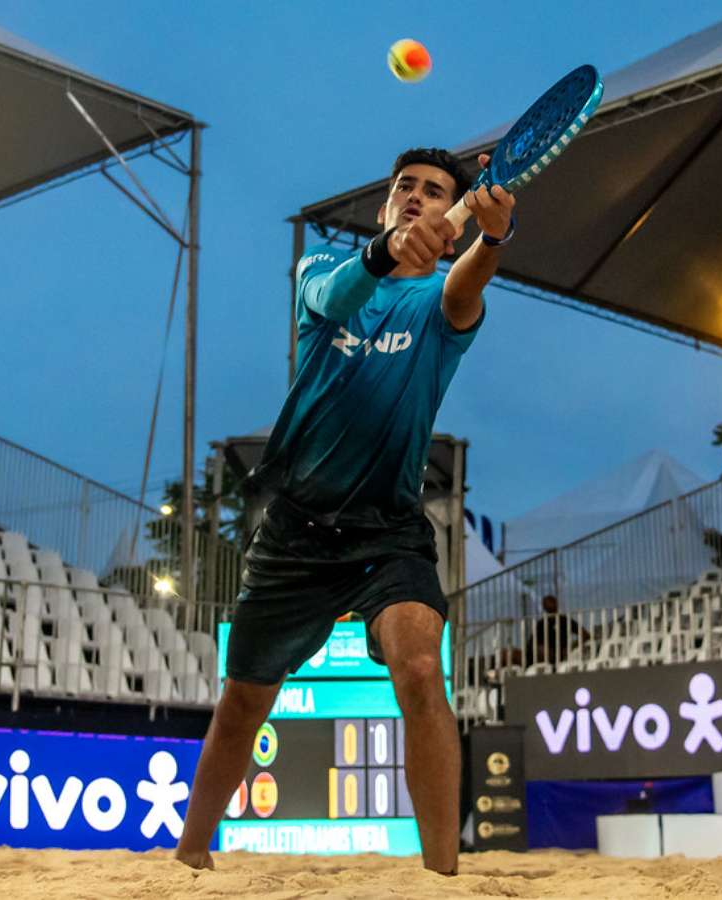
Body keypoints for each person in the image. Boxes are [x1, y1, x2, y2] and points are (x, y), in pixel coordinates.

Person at [174, 147, 515, 876]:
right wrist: (388, 251)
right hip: (296, 530)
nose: (416, 196)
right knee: (242, 704)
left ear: (449, 217)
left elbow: (468, 288)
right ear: (386, 205)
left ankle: (442, 879)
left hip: (389, 531)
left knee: (420, 669)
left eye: (434, 191)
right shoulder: (324, 270)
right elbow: (333, 298)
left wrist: (492, 236)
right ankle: (190, 855)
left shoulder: (442, 300)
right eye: (405, 187)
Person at [525, 594, 590, 665]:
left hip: (562, 655)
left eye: (551, 602)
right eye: (547, 603)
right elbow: (531, 643)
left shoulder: (564, 620)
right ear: (544, 607)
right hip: (545, 658)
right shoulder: (541, 624)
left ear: (556, 603)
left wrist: (572, 647)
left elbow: (586, 634)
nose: (550, 605)